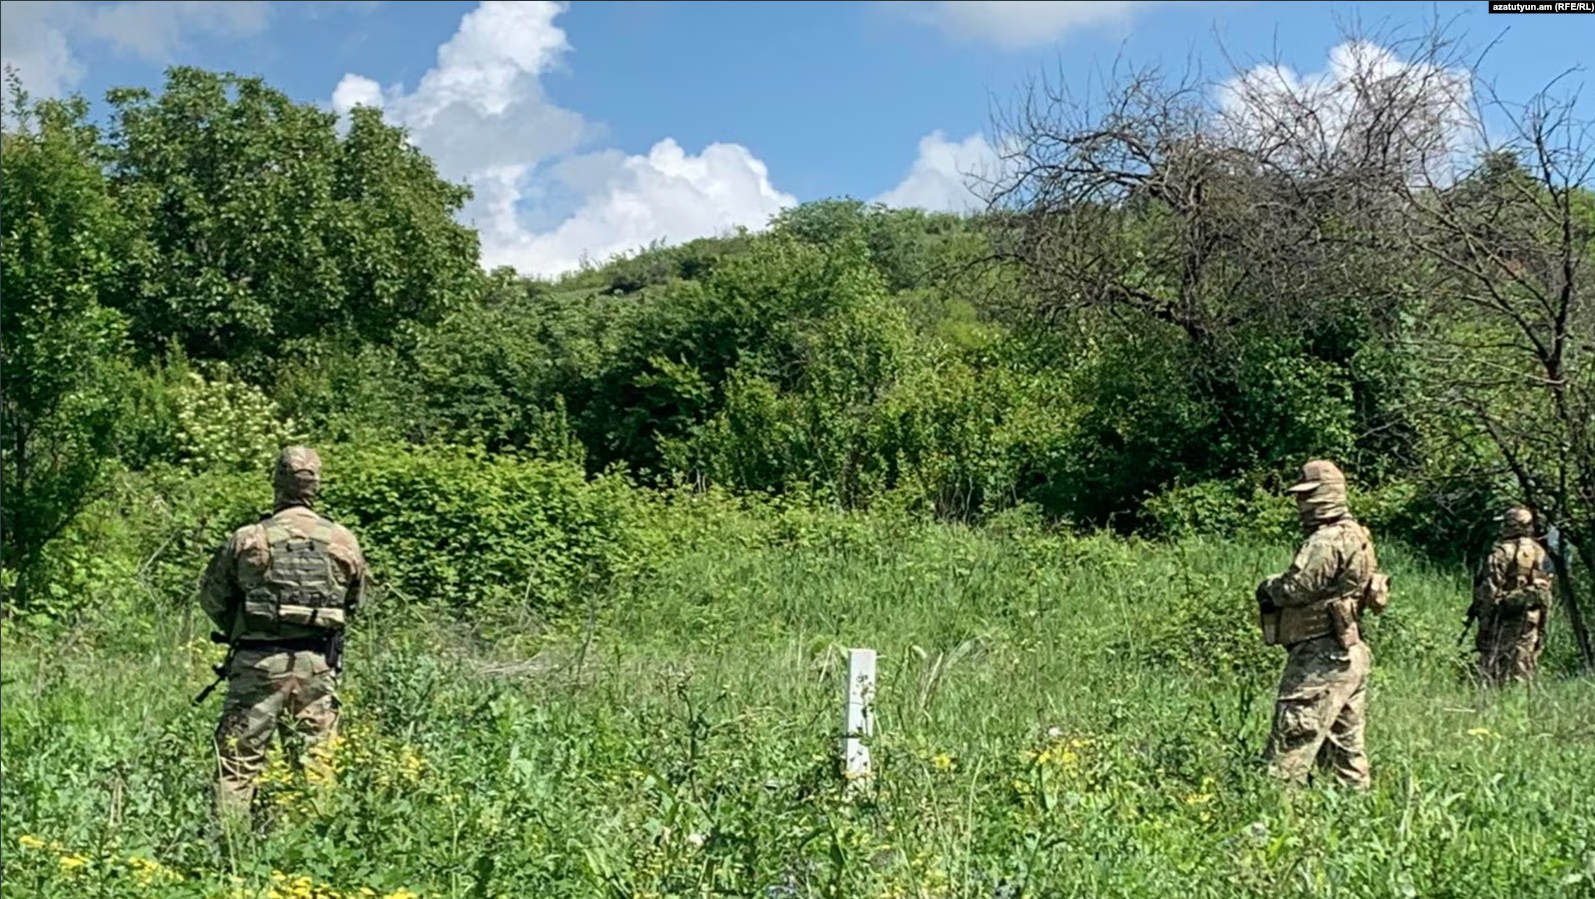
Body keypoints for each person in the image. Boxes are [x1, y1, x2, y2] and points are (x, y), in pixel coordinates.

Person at [198, 445, 369, 824]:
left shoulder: (249, 538)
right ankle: (312, 852)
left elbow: (212, 598)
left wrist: (244, 627)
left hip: (257, 664)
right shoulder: (343, 540)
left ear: (277, 481)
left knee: (238, 765)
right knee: (315, 768)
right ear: (316, 486)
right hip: (317, 666)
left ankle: (226, 852)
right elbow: (355, 604)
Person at [1255, 459, 1388, 790]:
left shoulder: (1326, 540)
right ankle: (1353, 818)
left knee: (1290, 745)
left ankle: (1274, 821)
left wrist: (1268, 586)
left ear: (1324, 495)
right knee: (1345, 751)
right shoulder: (1358, 534)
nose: (1301, 504)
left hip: (1320, 655)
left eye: (1306, 495)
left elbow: (1296, 588)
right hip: (1349, 652)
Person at [1470, 505, 1554, 687]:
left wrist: (1484, 627)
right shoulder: (1540, 552)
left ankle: (1494, 700)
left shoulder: (1501, 553)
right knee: (1524, 664)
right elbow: (1546, 590)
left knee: (1495, 668)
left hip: (1503, 620)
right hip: (1532, 619)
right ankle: (1520, 698)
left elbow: (1489, 593)